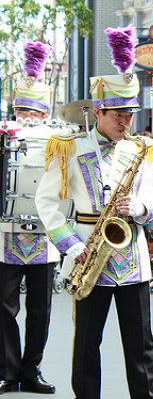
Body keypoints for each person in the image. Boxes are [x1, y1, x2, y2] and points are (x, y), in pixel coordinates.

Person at [35, 26, 153, 399]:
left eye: (130, 115)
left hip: (133, 255)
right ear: (98, 110)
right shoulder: (68, 147)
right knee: (87, 344)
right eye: (119, 115)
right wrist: (71, 246)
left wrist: (138, 207)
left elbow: (152, 198)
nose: (126, 122)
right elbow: (47, 203)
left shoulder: (140, 149)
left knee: (140, 344)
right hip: (88, 251)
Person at [0, 42, 57, 395]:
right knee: (4, 307)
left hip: (45, 233)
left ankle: (31, 369)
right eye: (23, 110)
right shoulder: (5, 136)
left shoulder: (58, 139)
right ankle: (7, 370)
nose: (29, 117)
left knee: (41, 309)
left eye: (35, 113)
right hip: (6, 233)